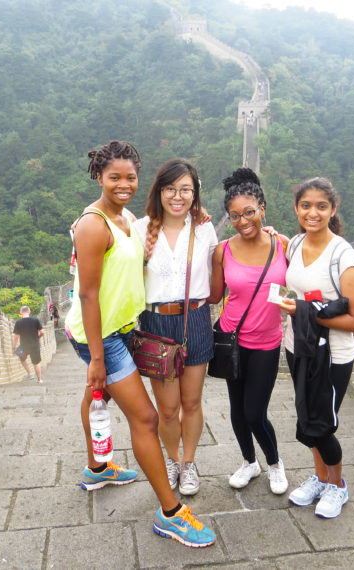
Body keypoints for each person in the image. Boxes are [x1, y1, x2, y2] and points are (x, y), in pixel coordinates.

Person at [64, 141, 215, 548]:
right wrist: (97, 356)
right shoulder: (94, 224)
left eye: (130, 177)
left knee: (100, 396)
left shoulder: (128, 218)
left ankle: (98, 467)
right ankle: (171, 513)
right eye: (114, 177)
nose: (123, 184)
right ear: (99, 177)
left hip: (124, 329)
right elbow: (88, 295)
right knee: (147, 420)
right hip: (103, 336)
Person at [278, 176, 354, 519]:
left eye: (321, 206)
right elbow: (294, 290)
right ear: (296, 208)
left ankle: (337, 485)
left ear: (333, 209)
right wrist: (290, 304)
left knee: (322, 425)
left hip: (332, 356)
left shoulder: (344, 259)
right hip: (297, 346)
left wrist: (303, 312)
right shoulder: (295, 244)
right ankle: (319, 477)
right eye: (305, 206)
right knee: (306, 419)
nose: (312, 213)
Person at [133, 158, 217, 496]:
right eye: (171, 189)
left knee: (192, 402)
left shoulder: (204, 229)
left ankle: (189, 462)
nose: (177, 196)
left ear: (195, 194)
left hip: (195, 318)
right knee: (167, 409)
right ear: (160, 191)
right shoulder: (139, 230)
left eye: (185, 190)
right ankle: (171, 459)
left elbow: (232, 255)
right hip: (155, 323)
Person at [208, 168, 289, 495]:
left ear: (263, 209)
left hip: (267, 343)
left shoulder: (282, 244)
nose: (242, 221)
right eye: (234, 216)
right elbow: (214, 295)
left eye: (249, 213)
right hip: (231, 340)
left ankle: (274, 463)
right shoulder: (223, 250)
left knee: (255, 412)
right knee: (237, 410)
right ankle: (249, 462)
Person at [12, 306, 44, 383]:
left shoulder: (18, 323)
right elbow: (42, 332)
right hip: (35, 346)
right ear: (29, 312)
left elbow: (16, 337)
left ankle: (30, 373)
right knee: (36, 363)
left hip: (24, 347)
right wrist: (38, 337)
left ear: (21, 313)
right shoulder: (35, 320)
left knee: (21, 357)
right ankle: (39, 380)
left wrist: (13, 348)